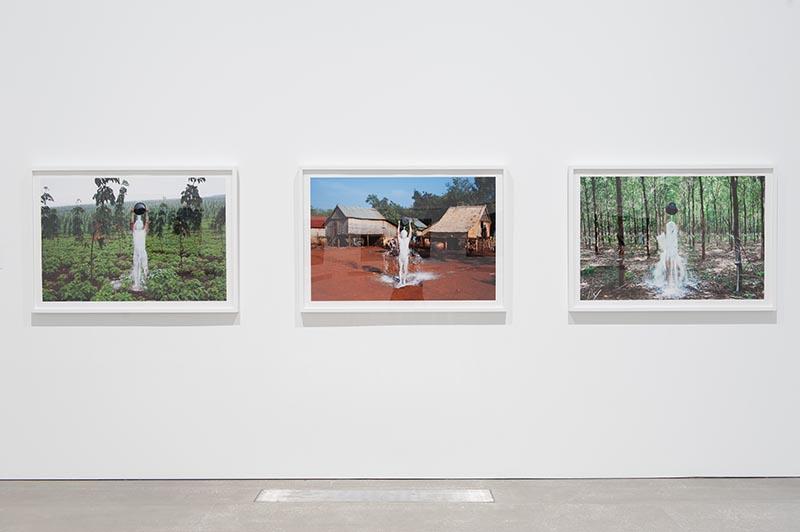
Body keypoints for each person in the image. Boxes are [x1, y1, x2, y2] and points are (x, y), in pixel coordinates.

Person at [130, 207, 149, 291]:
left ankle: (143, 282)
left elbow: (132, 222)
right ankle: (138, 283)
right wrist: (146, 213)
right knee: (138, 266)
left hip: (140, 252)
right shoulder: (141, 232)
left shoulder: (137, 232)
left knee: (142, 266)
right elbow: (147, 222)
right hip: (138, 252)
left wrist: (132, 213)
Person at [396, 220, 412, 286]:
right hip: (404, 257)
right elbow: (410, 232)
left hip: (401, 257)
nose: (403, 234)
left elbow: (397, 232)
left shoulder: (400, 239)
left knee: (401, 269)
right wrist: (409, 224)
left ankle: (402, 281)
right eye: (403, 233)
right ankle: (403, 281)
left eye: (403, 233)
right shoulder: (407, 239)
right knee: (404, 269)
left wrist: (399, 224)